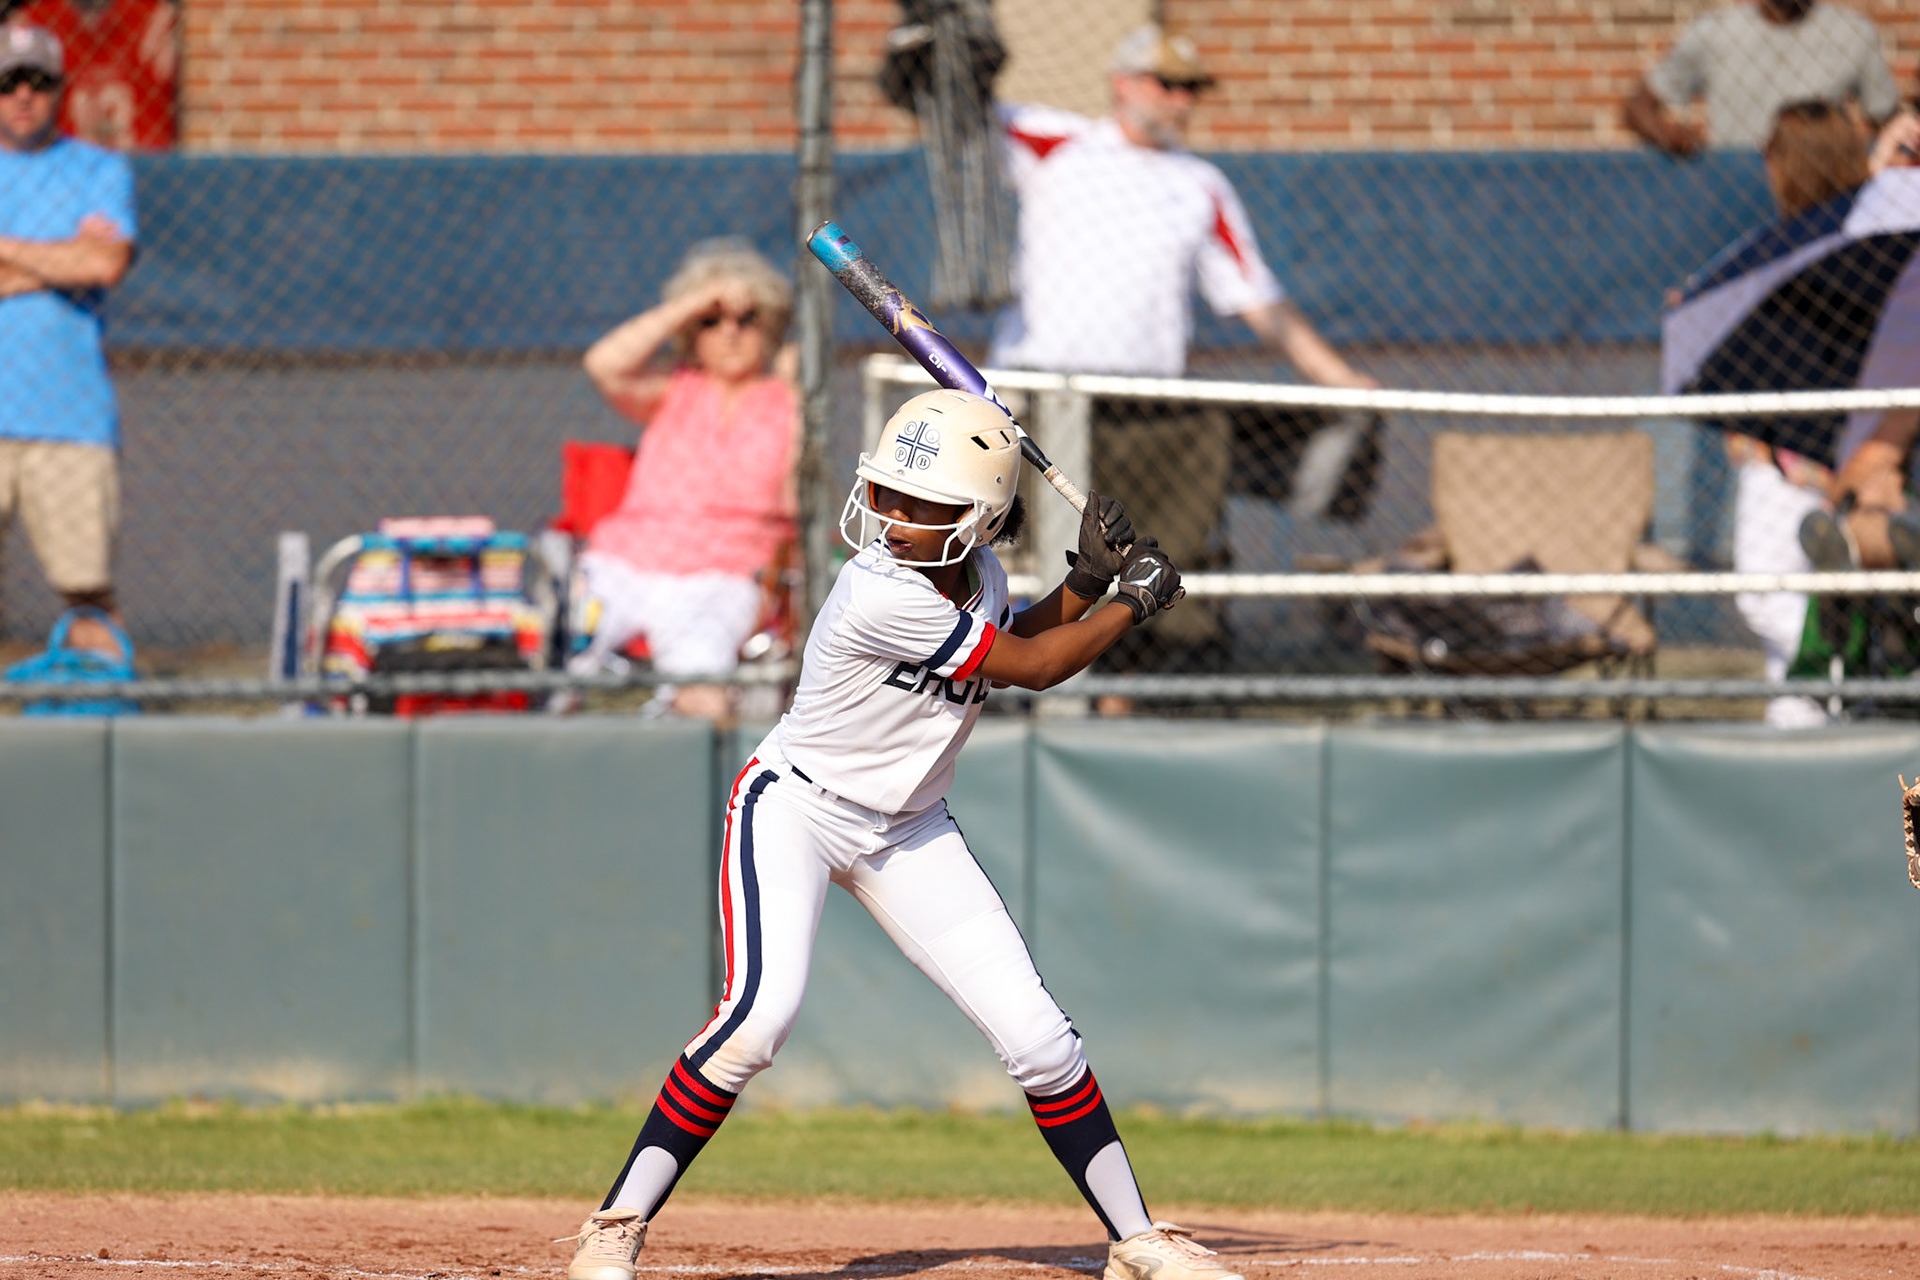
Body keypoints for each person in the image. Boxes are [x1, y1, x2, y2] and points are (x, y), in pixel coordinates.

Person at [559, 389, 1219, 1280]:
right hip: (796, 808)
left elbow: (1010, 631)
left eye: (925, 505)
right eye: (891, 497)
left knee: (1041, 1041)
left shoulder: (976, 574)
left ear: (982, 516)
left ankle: (1137, 1239)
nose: (898, 520)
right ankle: (616, 1224)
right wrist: (1131, 604)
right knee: (757, 1023)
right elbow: (1030, 667)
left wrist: (1087, 586)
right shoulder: (879, 591)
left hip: (909, 829)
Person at [988, 24, 1376, 688]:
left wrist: (1344, 381)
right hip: (1041, 395)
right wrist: (950, 51)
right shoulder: (1056, 141)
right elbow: (956, 111)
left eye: (1191, 88)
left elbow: (1259, 301)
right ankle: (1009, 695)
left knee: (1133, 556)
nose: (1181, 100)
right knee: (1025, 556)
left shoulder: (1199, 183)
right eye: (1167, 83)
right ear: (1123, 83)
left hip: (1146, 411)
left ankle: (1122, 704)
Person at [573, 240, 800, 721]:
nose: (731, 334)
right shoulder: (674, 389)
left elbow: (798, 501)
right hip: (624, 560)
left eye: (747, 319)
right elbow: (603, 364)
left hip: (723, 570)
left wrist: (801, 393)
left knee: (704, 692)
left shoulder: (788, 400)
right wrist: (694, 302)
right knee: (552, 654)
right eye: (712, 323)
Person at [0, 20, 136, 656]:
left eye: (37, 82)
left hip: (69, 416)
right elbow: (81, 262)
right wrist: (64, 257)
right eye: (7, 83)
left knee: (88, 596)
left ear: (59, 90)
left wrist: (7, 252)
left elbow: (104, 265)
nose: (22, 96)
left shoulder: (97, 170)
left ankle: (103, 715)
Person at [1623, 0, 1897, 156]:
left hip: (1822, 197)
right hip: (1734, 188)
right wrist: (1668, 135)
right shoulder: (1714, 33)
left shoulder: (1854, 34)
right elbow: (1638, 106)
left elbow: (1887, 118)